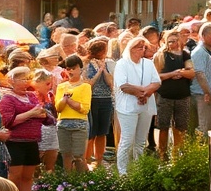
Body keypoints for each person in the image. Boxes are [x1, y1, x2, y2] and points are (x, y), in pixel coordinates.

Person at [0, 67, 46, 191]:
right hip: (15, 142)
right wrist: (31, 114)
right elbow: (8, 121)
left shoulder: (32, 96)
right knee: (14, 176)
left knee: (28, 176)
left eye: (27, 78)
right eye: (21, 78)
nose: (25, 81)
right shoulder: (7, 98)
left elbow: (42, 115)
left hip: (32, 141)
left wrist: (37, 115)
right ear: (11, 80)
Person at [113, 37, 159, 175]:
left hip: (146, 105)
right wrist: (141, 93)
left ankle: (138, 170)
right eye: (139, 47)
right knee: (127, 140)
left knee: (140, 141)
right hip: (128, 106)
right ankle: (123, 172)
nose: (142, 49)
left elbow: (156, 82)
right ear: (131, 48)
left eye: (144, 47)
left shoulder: (148, 64)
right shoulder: (122, 64)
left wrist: (146, 94)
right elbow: (124, 85)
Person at [153, 30, 193, 158]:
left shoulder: (185, 54)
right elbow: (155, 76)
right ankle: (162, 155)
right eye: (170, 41)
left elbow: (191, 73)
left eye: (176, 40)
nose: (173, 43)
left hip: (183, 96)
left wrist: (180, 73)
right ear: (165, 41)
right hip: (165, 96)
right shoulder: (160, 55)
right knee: (163, 127)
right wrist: (171, 74)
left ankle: (177, 156)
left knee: (181, 127)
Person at [55, 55, 91, 173]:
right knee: (65, 154)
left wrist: (68, 101)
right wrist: (64, 101)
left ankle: (82, 182)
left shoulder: (86, 86)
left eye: (73, 68)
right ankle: (68, 180)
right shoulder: (61, 86)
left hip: (79, 124)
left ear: (80, 68)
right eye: (68, 68)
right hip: (63, 123)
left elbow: (84, 109)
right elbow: (58, 108)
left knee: (78, 156)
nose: (70, 71)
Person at [81, 38, 115, 168]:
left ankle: (99, 160)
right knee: (91, 131)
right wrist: (98, 72)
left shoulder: (107, 63)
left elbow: (110, 83)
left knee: (102, 131)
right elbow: (88, 84)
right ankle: (87, 159)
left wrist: (104, 70)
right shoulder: (86, 64)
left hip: (106, 99)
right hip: (92, 99)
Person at [191, 23, 211, 136]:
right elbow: (199, 74)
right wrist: (208, 93)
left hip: (208, 95)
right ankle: (203, 152)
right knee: (205, 128)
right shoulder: (199, 52)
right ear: (203, 35)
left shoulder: (209, 51)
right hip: (203, 96)